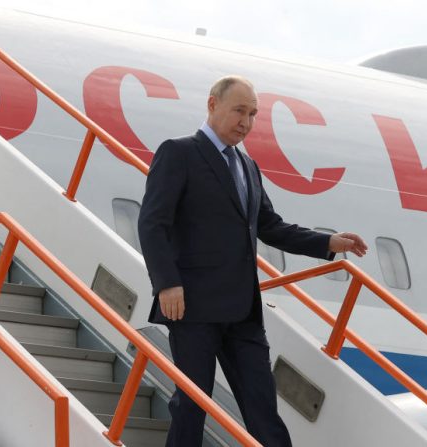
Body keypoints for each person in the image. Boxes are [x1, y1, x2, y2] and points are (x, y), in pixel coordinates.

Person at [138, 75, 368, 447]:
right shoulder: (179, 153)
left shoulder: (248, 168)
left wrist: (327, 242)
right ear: (213, 105)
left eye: (253, 114)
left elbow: (270, 227)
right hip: (194, 308)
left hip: (242, 310)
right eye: (239, 111)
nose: (246, 122)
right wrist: (167, 282)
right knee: (192, 406)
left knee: (263, 409)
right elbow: (152, 223)